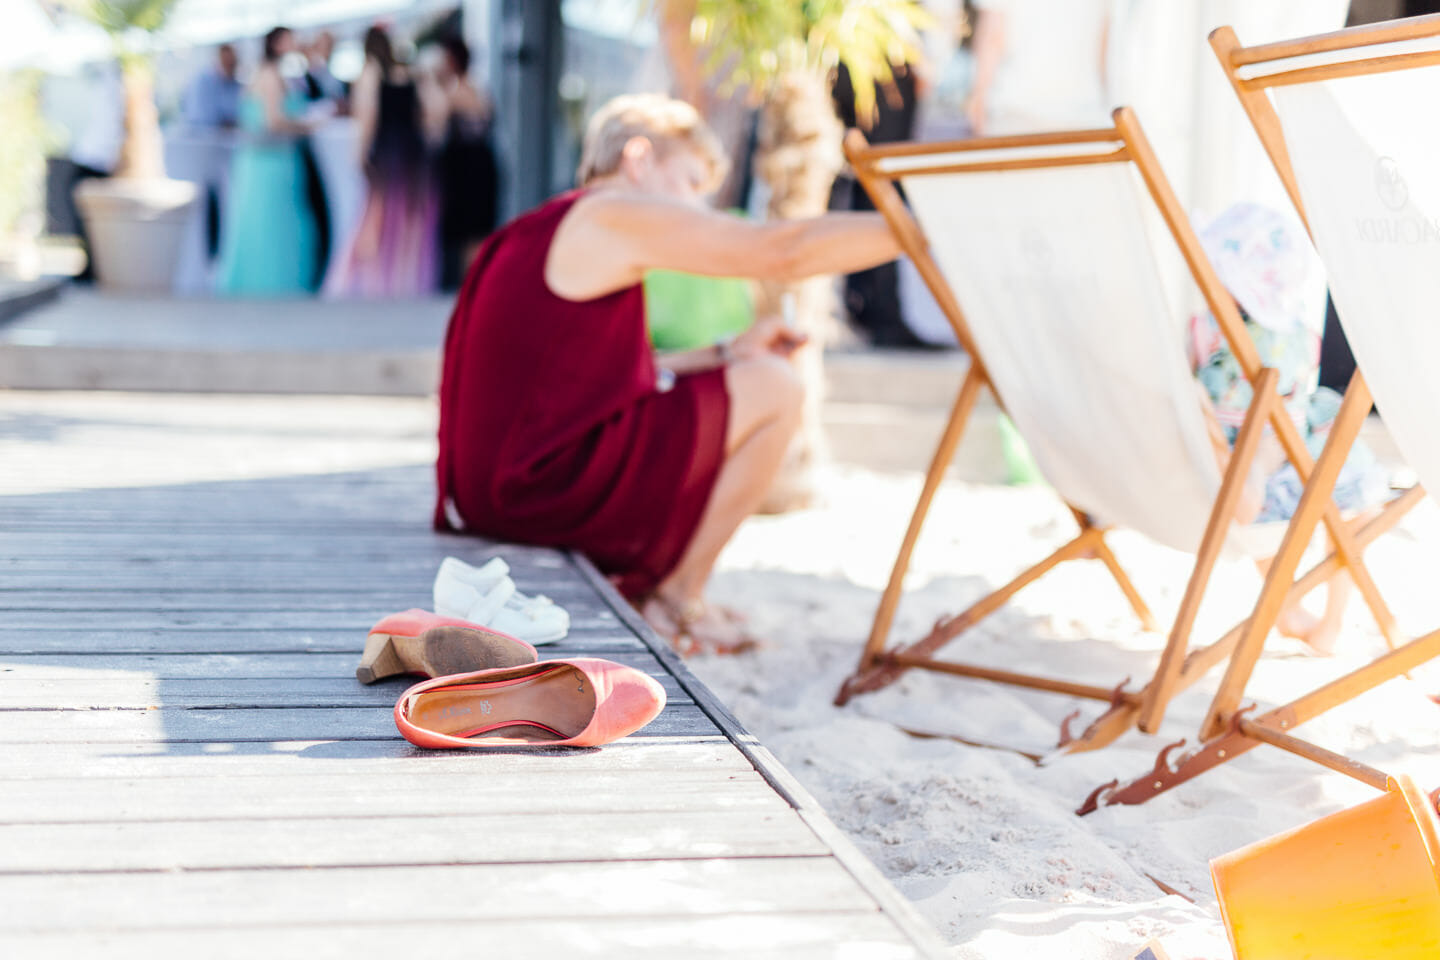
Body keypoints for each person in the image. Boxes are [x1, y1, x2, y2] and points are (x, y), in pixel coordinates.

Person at [434, 94, 900, 653]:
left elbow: (585, 378)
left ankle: (675, 589)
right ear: (638, 159)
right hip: (538, 492)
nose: (696, 207)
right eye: (689, 181)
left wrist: (726, 350)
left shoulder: (544, 226)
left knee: (756, 368)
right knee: (778, 386)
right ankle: (679, 598)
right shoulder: (613, 214)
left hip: (499, 491)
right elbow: (781, 250)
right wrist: (917, 230)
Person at [1190, 203, 1390, 656]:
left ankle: (1286, 603)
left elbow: (1193, 378)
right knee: (1357, 502)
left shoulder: (1201, 327)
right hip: (1287, 451)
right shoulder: (1295, 334)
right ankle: (1329, 621)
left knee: (1262, 497)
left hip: (1225, 451)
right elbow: (1294, 404)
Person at [325, 25, 443, 297]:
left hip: (388, 153)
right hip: (413, 153)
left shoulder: (369, 73)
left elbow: (367, 117)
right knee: (408, 220)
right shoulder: (410, 75)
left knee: (376, 218)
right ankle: (405, 280)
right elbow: (433, 112)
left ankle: (374, 281)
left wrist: (359, 155)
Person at [215, 26, 320, 296]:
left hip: (268, 162)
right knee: (271, 224)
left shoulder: (271, 73)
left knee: (269, 224)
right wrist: (308, 126)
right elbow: (273, 121)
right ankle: (271, 284)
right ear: (276, 43)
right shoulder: (270, 74)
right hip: (270, 162)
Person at [965, 0, 1109, 136]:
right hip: (1084, 110)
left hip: (1017, 109)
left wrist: (979, 95)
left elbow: (993, 35)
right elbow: (1105, 44)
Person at [434, 35, 499, 290]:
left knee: (468, 228)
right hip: (478, 164)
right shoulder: (478, 90)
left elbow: (436, 127)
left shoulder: (454, 92)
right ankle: (473, 284)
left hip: (465, 169)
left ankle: (470, 285)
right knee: (474, 228)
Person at [181, 44, 242, 130]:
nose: (230, 67)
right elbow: (202, 117)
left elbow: (236, 113)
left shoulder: (234, 84)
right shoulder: (203, 81)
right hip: (201, 134)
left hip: (223, 136)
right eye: (226, 63)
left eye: (232, 63)